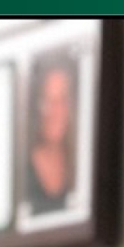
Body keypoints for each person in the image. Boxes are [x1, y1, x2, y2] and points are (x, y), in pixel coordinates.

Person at [26, 54, 76, 215]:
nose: (54, 111)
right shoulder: (24, 171)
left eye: (61, 100)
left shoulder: (81, 165)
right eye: (47, 100)